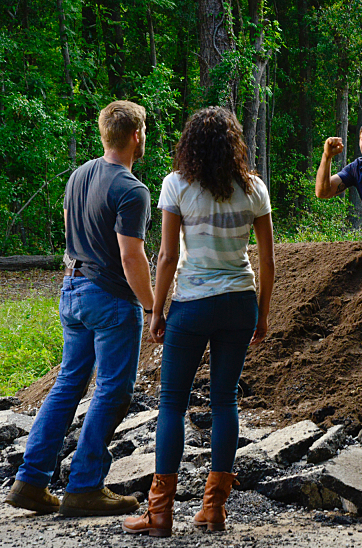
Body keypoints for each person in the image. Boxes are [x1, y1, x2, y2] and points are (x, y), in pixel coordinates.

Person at [122, 107, 275, 537]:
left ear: (190, 144)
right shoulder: (254, 189)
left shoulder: (177, 185)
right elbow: (266, 258)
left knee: (172, 403)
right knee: (225, 400)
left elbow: (168, 256)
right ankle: (214, 510)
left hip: (192, 304)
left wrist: (157, 310)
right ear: (234, 145)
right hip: (239, 303)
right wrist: (262, 312)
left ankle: (160, 514)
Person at [5, 101, 153, 516]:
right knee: (112, 389)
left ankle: (31, 481)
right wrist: (152, 304)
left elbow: (71, 227)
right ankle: (85, 485)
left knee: (69, 383)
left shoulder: (78, 175)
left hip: (71, 289)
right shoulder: (131, 189)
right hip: (109, 298)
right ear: (136, 135)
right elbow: (130, 257)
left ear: (105, 133)